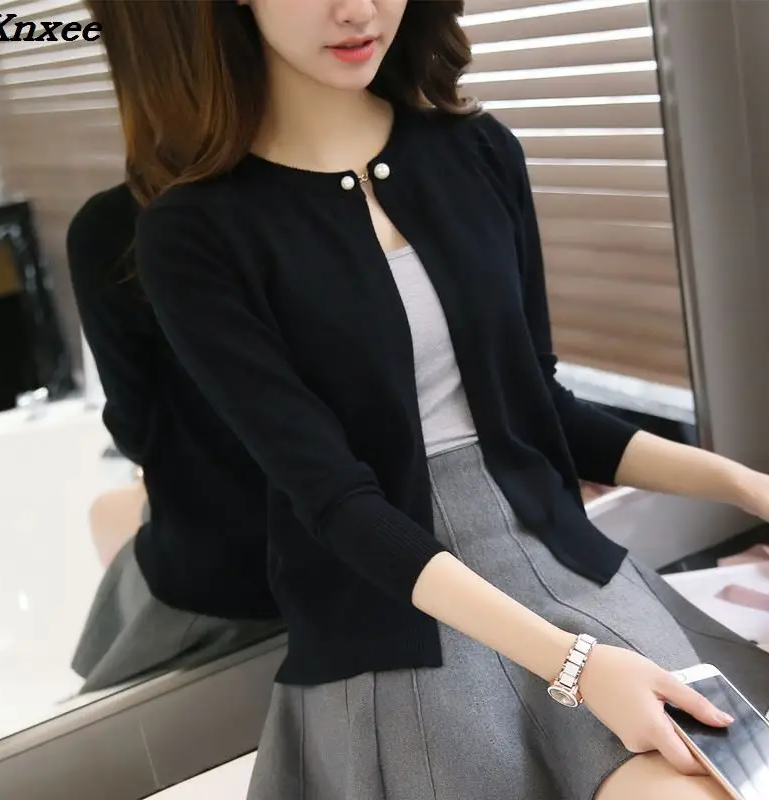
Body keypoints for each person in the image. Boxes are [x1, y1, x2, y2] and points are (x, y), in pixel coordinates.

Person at [86, 0, 769, 797]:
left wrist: (744, 484)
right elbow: (335, 502)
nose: (358, 9)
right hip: (398, 604)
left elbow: (543, 408)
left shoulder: (478, 151)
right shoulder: (194, 232)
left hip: (561, 557)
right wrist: (578, 666)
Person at [66, 181, 284, 693]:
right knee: (110, 513)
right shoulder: (322, 185)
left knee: (109, 518)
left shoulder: (117, 225)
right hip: (378, 536)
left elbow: (135, 426)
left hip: (234, 574)